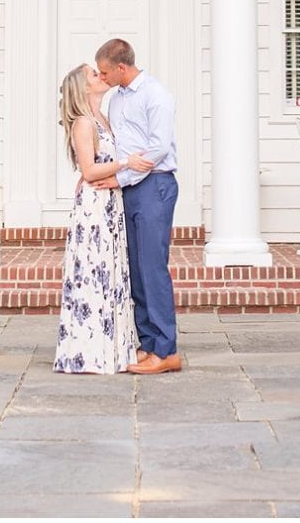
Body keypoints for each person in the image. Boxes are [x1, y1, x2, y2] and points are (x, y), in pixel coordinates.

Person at [96, 37, 182, 374]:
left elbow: (158, 148)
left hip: (154, 186)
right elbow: (121, 147)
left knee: (152, 268)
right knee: (135, 270)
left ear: (121, 67)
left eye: (105, 73)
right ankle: (148, 345)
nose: (102, 79)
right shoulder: (115, 101)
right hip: (130, 188)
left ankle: (167, 351)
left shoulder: (155, 95)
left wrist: (121, 178)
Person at [51, 63, 139, 374]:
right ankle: (88, 352)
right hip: (94, 206)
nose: (100, 76)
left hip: (110, 203)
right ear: (83, 88)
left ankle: (113, 349)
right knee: (93, 272)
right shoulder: (83, 123)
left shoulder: (103, 118)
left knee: (111, 271)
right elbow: (89, 171)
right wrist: (128, 163)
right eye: (92, 74)